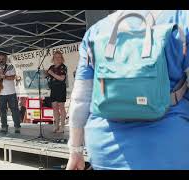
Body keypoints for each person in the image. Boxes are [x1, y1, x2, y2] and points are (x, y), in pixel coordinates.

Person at [66, 10, 189, 170]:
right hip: (167, 148)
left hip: (105, 149)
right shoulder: (181, 19)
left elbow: (80, 100)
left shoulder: (95, 31)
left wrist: (75, 150)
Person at [0, 54, 21, 134]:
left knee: (14, 110)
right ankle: (4, 127)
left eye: (3, 59)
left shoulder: (10, 66)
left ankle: (17, 127)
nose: (1, 60)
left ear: (6, 59)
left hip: (11, 92)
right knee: (2, 111)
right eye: (0, 59)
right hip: (0, 93)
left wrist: (5, 77)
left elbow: (13, 77)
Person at [46, 51, 68, 133]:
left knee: (61, 107)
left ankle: (62, 127)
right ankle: (56, 126)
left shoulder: (63, 67)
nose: (58, 59)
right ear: (53, 58)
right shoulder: (51, 67)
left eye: (59, 57)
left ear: (62, 58)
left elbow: (62, 78)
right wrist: (46, 73)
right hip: (53, 89)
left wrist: (51, 73)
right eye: (56, 57)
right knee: (54, 107)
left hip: (61, 88)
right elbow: (47, 75)